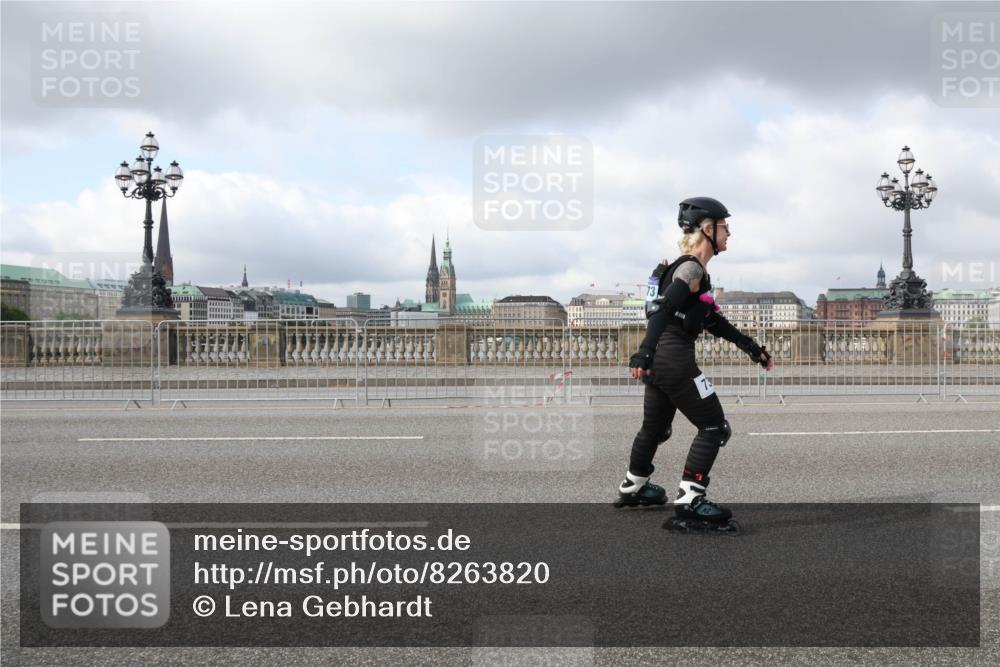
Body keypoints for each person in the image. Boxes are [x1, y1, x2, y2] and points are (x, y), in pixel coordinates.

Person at [614, 196, 773, 532]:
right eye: (724, 226)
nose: (729, 233)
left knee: (655, 429)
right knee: (715, 427)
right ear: (707, 229)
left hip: (660, 363)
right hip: (673, 360)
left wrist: (750, 347)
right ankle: (690, 501)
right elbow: (663, 309)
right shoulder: (691, 269)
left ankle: (634, 485)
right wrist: (644, 350)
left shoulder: (687, 269)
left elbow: (711, 320)